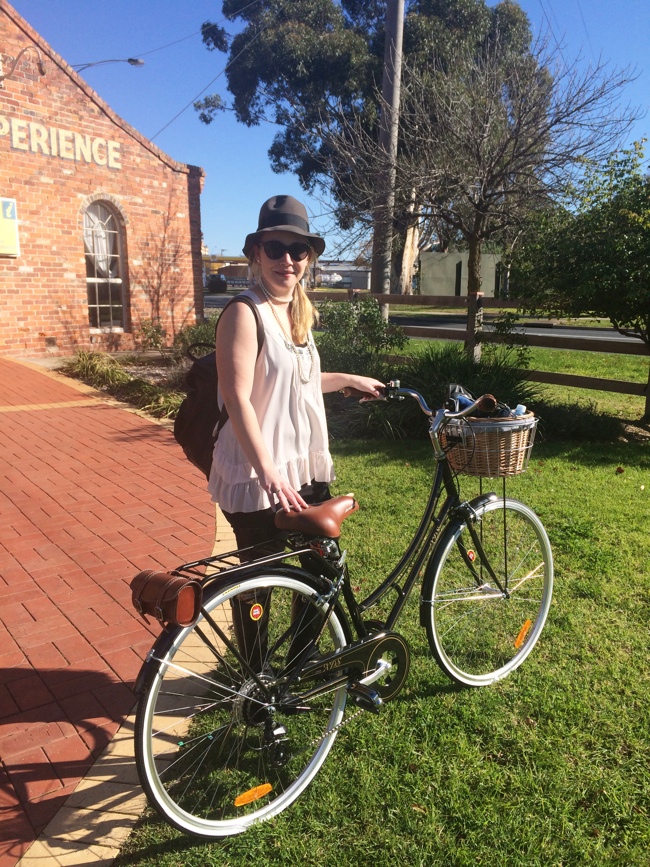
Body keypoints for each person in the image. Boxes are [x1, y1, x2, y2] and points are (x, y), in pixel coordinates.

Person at [208, 195, 383, 671]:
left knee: (321, 570)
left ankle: (301, 663)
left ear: (310, 258)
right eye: (275, 248)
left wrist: (346, 379)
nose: (287, 259)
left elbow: (295, 380)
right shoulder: (245, 313)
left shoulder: (298, 312)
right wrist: (267, 473)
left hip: (301, 464)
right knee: (258, 581)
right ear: (256, 253)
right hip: (256, 471)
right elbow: (239, 397)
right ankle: (257, 679)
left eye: (298, 250)